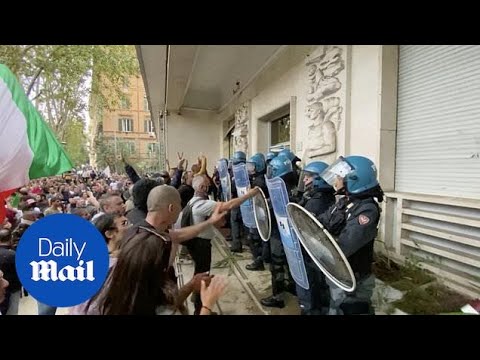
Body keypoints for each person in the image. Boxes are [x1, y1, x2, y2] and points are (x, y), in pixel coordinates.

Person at [317, 155, 384, 315]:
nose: (337, 179)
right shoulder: (344, 202)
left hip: (354, 279)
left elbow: (345, 245)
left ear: (354, 180)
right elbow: (320, 222)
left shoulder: (367, 210)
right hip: (338, 272)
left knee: (351, 309)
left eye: (340, 176)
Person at [295, 161, 336, 315]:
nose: (304, 181)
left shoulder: (317, 201)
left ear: (319, 179)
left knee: (313, 284)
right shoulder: (318, 197)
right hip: (315, 250)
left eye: (308, 178)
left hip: (313, 251)